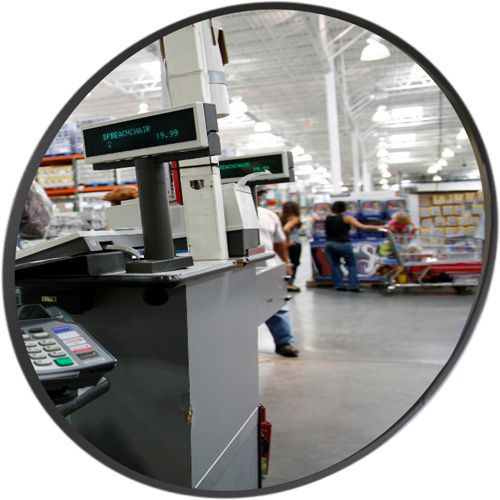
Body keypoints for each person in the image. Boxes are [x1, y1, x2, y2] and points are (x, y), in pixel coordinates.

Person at [257, 190, 299, 357]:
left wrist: (286, 262)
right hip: (237, 270)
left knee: (276, 304)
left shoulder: (268, 215)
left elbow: (279, 242)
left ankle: (284, 341)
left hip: (267, 268)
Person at [324, 200, 386, 292]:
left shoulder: (327, 218)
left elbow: (316, 218)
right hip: (343, 244)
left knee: (335, 264)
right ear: (344, 209)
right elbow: (363, 227)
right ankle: (354, 286)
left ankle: (339, 285)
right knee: (351, 264)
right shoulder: (347, 218)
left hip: (329, 244)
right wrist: (382, 227)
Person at [280, 201, 302, 292]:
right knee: (294, 263)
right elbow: (286, 229)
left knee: (286, 262)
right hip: (294, 243)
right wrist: (289, 240)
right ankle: (290, 284)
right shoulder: (295, 218)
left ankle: (284, 283)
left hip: (283, 244)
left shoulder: (282, 218)